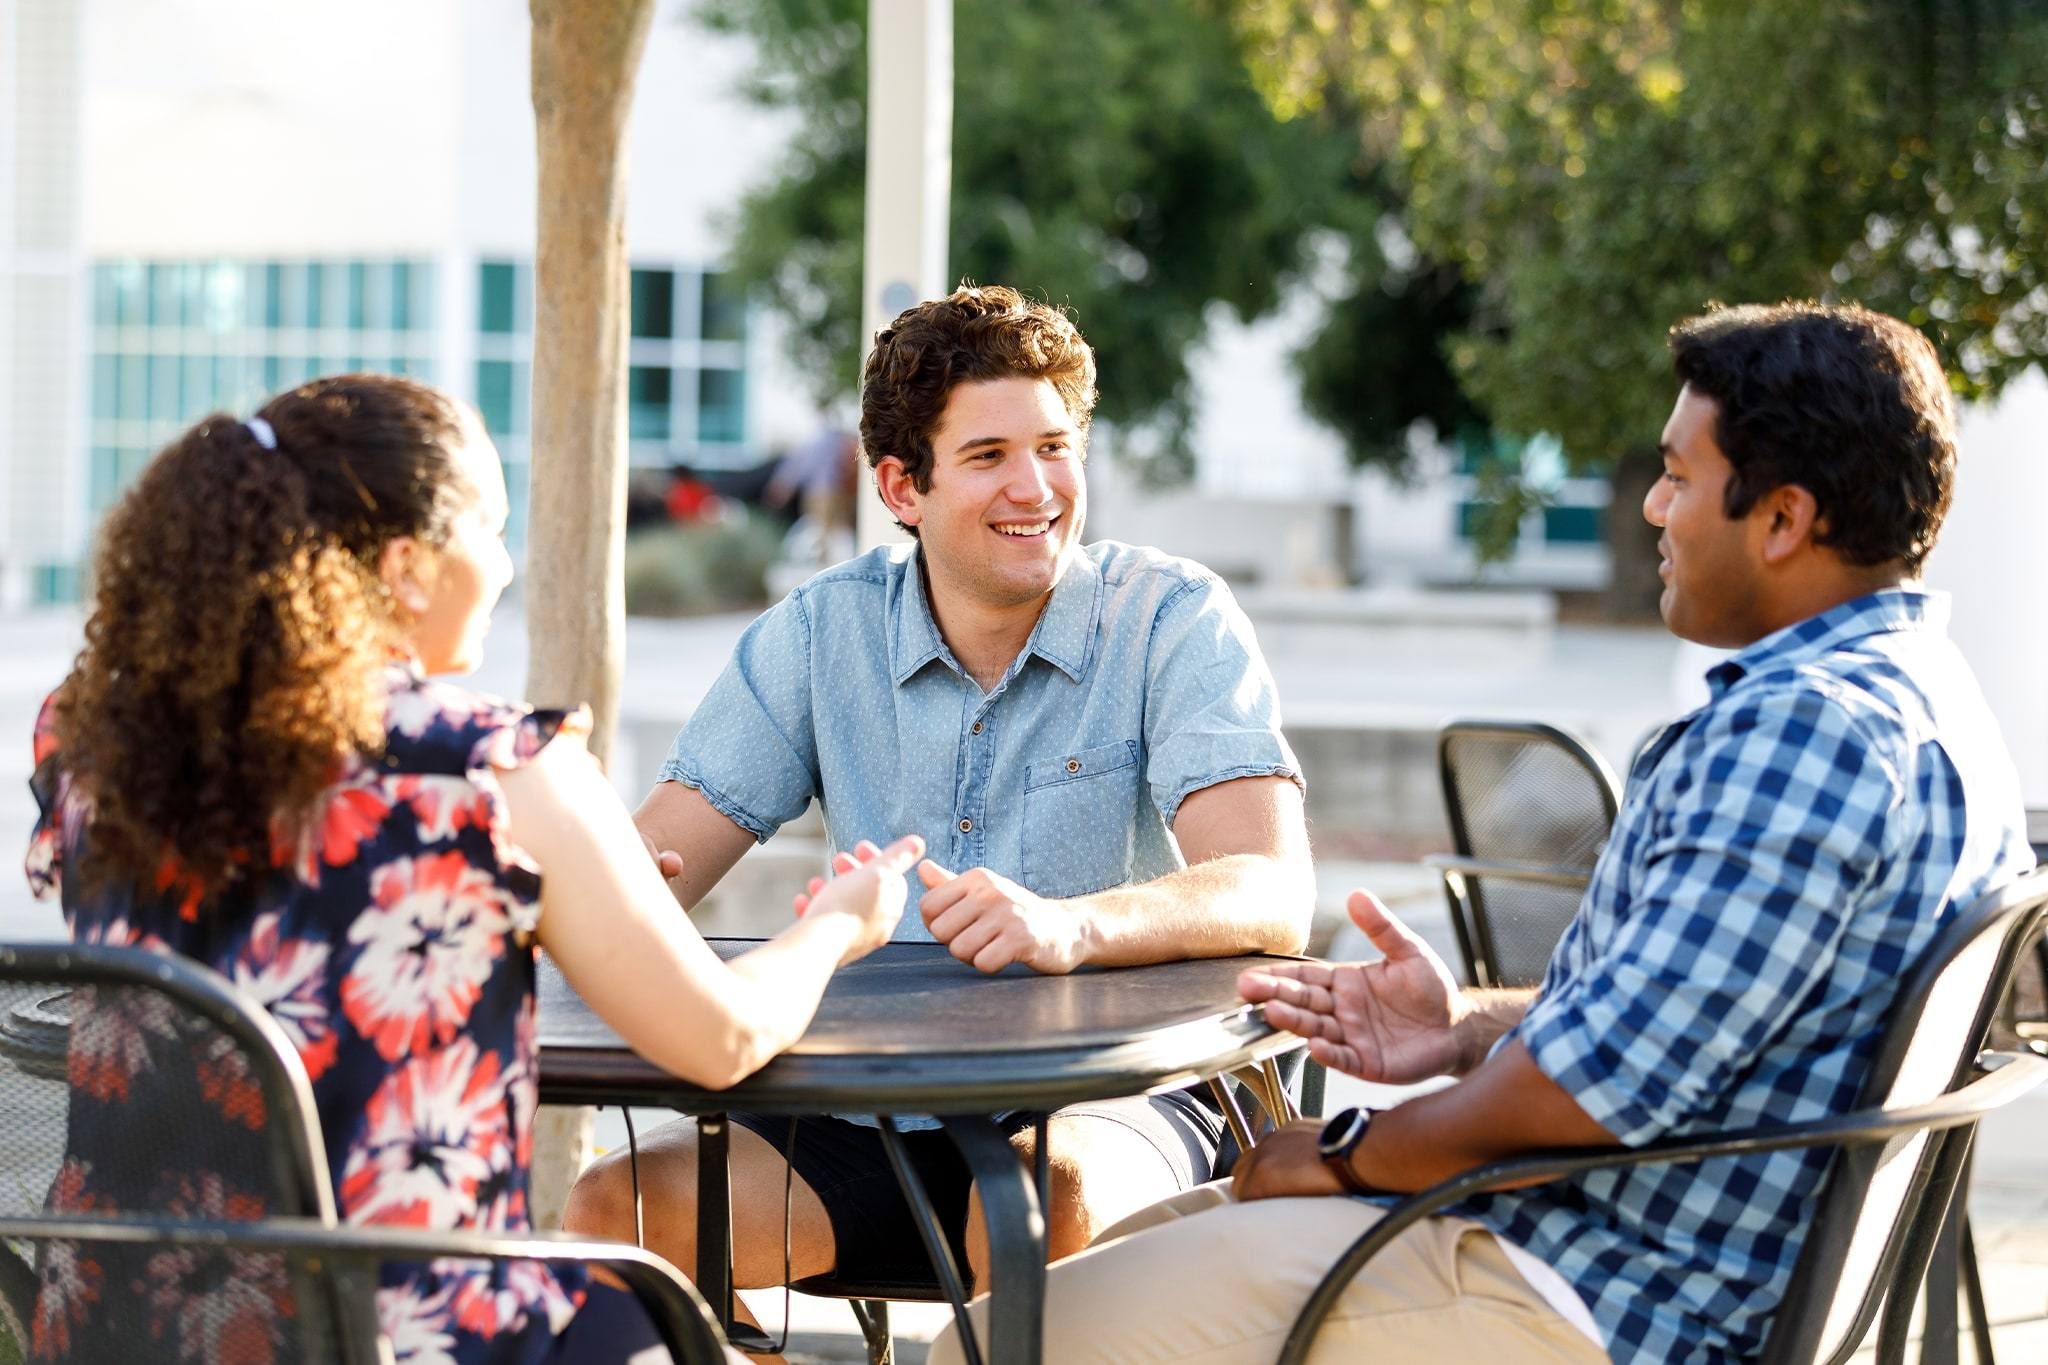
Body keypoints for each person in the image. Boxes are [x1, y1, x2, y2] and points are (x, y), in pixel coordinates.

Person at [929, 301, 2036, 1365]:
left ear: (1784, 520)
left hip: (1585, 1295)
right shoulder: (1923, 697)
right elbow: (1692, 1020)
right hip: (1607, 1258)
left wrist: (1348, 1153)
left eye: (1678, 477)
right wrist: (1465, 1024)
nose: (1653, 508)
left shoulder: (1802, 732)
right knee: (1077, 1271)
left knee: (997, 1340)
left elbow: (1590, 1089)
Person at [24, 374, 923, 1364]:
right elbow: (724, 1038)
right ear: (407, 566)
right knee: (643, 1314)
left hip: (112, 1325)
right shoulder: (493, 767)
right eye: (490, 531)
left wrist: (568, 878)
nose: (505, 564)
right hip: (403, 1337)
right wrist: (841, 921)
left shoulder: (92, 745)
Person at [564, 285, 1314, 1336]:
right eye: (989, 455)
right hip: (873, 1110)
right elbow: (653, 861)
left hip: (1116, 1099)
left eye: (1054, 448)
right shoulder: (821, 631)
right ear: (899, 486)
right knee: (616, 1211)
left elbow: (1271, 892)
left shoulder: (1171, 617)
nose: (1035, 487)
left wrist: (1072, 925)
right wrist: (574, 877)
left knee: (1038, 1202)